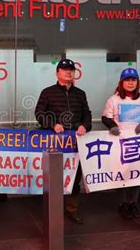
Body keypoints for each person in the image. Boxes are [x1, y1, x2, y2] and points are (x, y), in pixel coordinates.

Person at [35, 58, 92, 225]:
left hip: (75, 142)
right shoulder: (48, 92)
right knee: (54, 175)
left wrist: (84, 126)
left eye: (71, 70)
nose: (69, 72)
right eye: (65, 69)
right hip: (55, 142)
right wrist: (53, 124)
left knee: (75, 175)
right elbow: (39, 113)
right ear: (57, 73)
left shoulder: (80, 94)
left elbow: (87, 114)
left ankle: (72, 209)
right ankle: (52, 208)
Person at [101, 68, 140, 219]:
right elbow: (105, 117)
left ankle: (133, 203)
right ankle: (122, 204)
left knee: (137, 173)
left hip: (139, 144)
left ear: (137, 82)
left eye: (133, 80)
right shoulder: (114, 99)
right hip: (120, 143)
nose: (130, 83)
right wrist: (111, 126)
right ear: (121, 82)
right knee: (122, 173)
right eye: (127, 80)